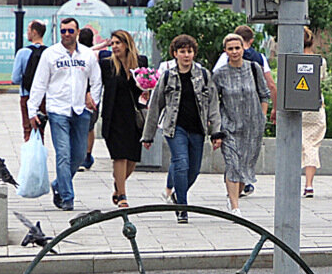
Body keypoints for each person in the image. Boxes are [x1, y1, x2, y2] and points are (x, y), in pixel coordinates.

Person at [142, 34, 223, 224]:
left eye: (189, 51)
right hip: (174, 127)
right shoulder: (168, 76)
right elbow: (156, 105)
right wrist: (148, 136)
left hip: (197, 128)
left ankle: (179, 196)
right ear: (175, 54)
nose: (186, 55)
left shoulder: (203, 75)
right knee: (181, 163)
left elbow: (213, 105)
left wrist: (216, 132)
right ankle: (182, 209)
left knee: (193, 170)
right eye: (182, 52)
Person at [27, 16, 103, 212]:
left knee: (79, 155)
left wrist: (92, 100)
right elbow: (39, 84)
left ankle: (58, 184)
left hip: (81, 110)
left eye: (70, 31)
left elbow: (96, 81)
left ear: (78, 32)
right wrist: (32, 110)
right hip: (57, 110)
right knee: (63, 154)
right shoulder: (50, 54)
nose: (67, 34)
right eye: (63, 31)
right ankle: (67, 197)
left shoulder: (87, 55)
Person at [213, 32, 269, 216]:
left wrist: (262, 116)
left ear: (243, 48)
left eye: (238, 48)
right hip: (229, 126)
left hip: (253, 128)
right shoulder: (219, 75)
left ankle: (234, 195)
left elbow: (264, 94)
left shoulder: (254, 68)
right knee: (232, 164)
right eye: (231, 49)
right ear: (225, 51)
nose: (235, 51)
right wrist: (216, 128)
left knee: (245, 168)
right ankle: (235, 206)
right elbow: (213, 102)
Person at [99, 29, 148, 208]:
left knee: (133, 158)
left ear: (127, 44)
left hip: (134, 115)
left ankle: (118, 184)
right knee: (119, 156)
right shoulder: (107, 64)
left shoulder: (140, 62)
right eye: (112, 43)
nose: (114, 47)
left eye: (117, 43)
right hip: (114, 115)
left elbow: (144, 88)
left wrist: (147, 91)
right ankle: (122, 195)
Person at [300, 26, 326, 198]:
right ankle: (309, 184)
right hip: (315, 105)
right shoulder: (320, 60)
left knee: (298, 144)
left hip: (296, 105)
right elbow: (321, 79)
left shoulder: (292, 59)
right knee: (312, 145)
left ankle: (291, 181)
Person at [12, 20, 47, 141]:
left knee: (28, 129)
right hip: (44, 96)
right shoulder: (49, 52)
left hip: (26, 95)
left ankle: (30, 156)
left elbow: (15, 78)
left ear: (34, 32)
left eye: (28, 30)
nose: (27, 33)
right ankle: (40, 155)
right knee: (41, 129)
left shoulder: (22, 53)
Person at [78, 28, 98, 171]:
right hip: (93, 95)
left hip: (80, 95)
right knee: (90, 128)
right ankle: (87, 155)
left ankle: (80, 154)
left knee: (78, 128)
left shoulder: (78, 54)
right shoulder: (94, 54)